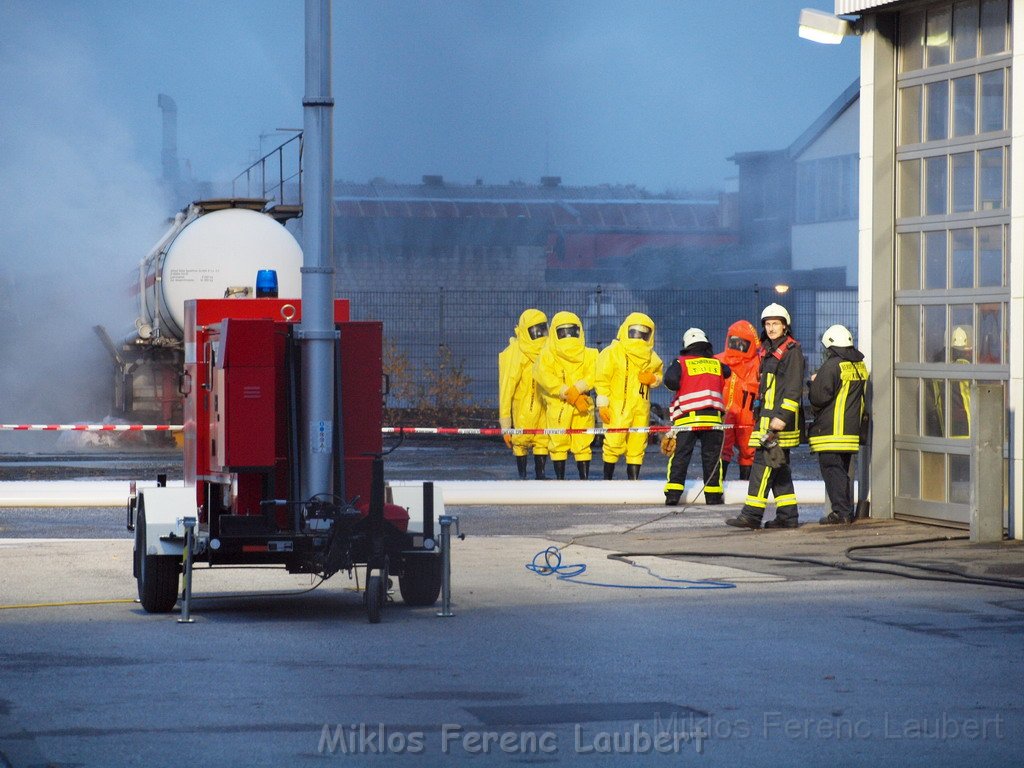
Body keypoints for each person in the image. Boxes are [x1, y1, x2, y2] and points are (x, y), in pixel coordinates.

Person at [726, 303, 806, 530]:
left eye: (775, 324)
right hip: (766, 419)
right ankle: (788, 517)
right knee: (779, 467)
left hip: (778, 422)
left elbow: (792, 389)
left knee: (762, 464)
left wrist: (781, 417)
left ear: (785, 326)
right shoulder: (769, 351)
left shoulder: (792, 352)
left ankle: (751, 515)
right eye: (768, 324)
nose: (771, 328)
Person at [808, 324, 868, 525]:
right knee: (842, 472)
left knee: (833, 472)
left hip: (831, 432)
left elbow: (818, 397)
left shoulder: (832, 365)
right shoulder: (860, 366)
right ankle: (845, 511)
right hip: (851, 431)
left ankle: (841, 513)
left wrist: (813, 383)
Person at [663, 328, 731, 506]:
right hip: (713, 420)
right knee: (712, 458)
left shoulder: (681, 362)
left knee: (680, 457)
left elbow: (670, 381)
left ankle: (673, 495)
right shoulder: (716, 363)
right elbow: (728, 372)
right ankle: (713, 496)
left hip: (687, 419)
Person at [595, 312, 663, 480]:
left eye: (643, 333)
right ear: (625, 330)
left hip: (641, 408)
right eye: (635, 332)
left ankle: (633, 482)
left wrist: (653, 379)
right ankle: (607, 481)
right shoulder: (612, 353)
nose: (639, 337)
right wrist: (602, 404)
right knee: (613, 443)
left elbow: (659, 375)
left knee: (637, 444)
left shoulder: (651, 357)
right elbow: (602, 379)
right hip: (618, 407)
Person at [534, 311, 599, 479]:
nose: (568, 335)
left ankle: (565, 480)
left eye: (572, 331)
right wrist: (572, 392)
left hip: (571, 405)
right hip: (570, 405)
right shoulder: (548, 355)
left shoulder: (589, 354)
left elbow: (596, 374)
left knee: (577, 443)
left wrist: (574, 390)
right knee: (561, 444)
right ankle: (569, 480)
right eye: (563, 332)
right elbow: (543, 376)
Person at [498, 308, 550, 479]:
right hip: (523, 407)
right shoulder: (515, 353)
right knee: (520, 441)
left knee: (542, 439)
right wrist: (506, 426)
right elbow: (506, 389)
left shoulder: (547, 349)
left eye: (542, 329)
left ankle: (540, 476)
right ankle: (522, 477)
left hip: (543, 404)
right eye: (536, 330)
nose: (540, 334)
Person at [715, 320, 760, 482]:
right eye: (734, 342)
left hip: (748, 412)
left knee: (749, 450)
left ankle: (745, 485)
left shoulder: (758, 364)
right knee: (723, 448)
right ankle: (717, 484)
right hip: (725, 412)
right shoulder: (718, 361)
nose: (737, 347)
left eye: (742, 343)